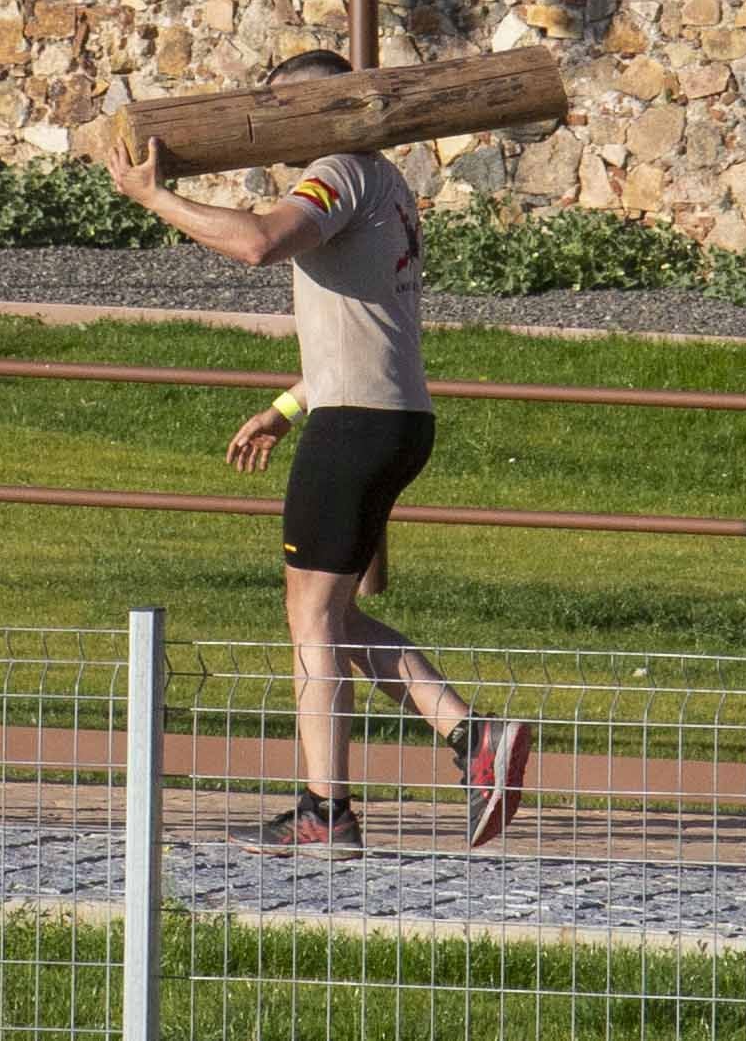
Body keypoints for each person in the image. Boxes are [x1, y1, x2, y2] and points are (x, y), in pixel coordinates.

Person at [108, 48, 531, 856]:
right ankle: (470, 738)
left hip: (359, 425)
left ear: (331, 109)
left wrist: (155, 196)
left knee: (309, 616)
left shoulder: (338, 172)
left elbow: (259, 243)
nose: (268, 128)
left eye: (283, 111)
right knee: (334, 614)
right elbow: (360, 329)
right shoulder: (381, 183)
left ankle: (324, 812)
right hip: (385, 416)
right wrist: (283, 406)